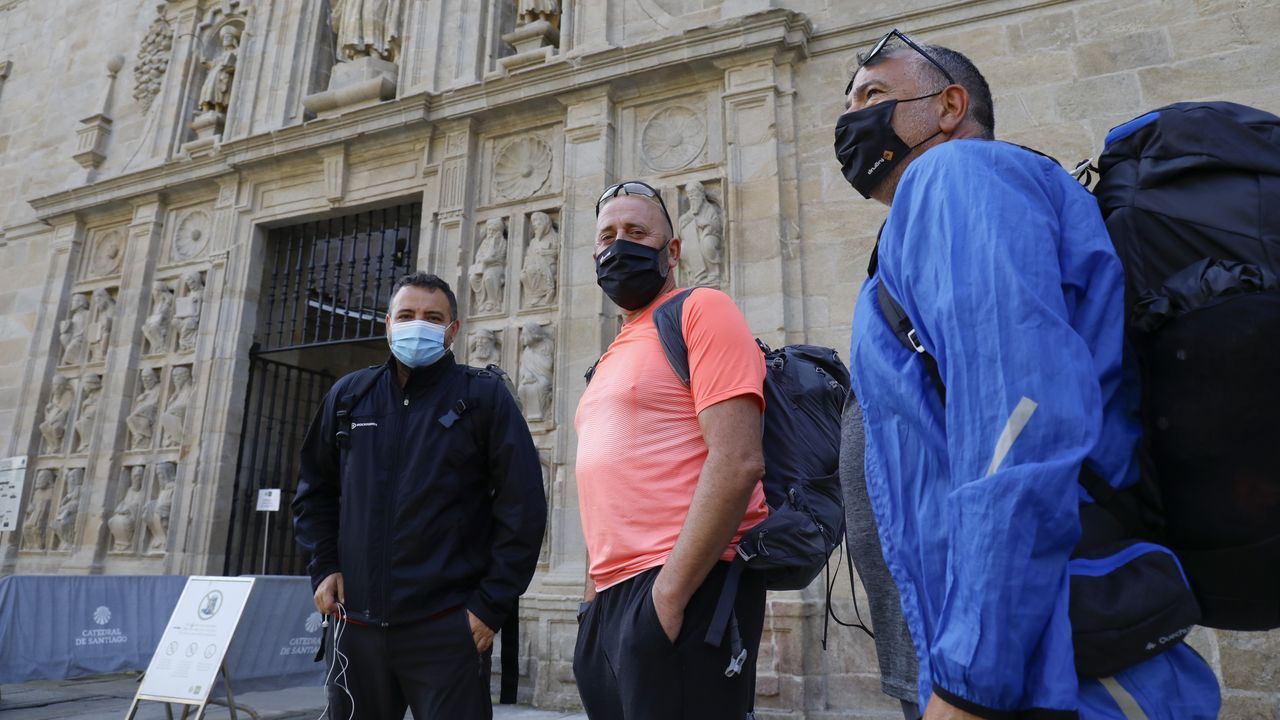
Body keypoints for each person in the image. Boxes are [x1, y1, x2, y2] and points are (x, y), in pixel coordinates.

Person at [835, 30, 1221, 719]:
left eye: (872, 95)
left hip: (1055, 672)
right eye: (846, 104)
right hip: (1026, 661)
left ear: (950, 105)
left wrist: (970, 680)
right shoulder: (929, 218)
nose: (850, 119)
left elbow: (1018, 417)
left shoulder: (958, 178)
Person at [293, 272, 546, 720]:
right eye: (407, 315)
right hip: (357, 629)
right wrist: (324, 565)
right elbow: (316, 490)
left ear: (453, 330)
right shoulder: (350, 397)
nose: (418, 325)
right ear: (388, 324)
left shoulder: (483, 399)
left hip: (448, 629)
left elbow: (522, 507)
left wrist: (490, 606)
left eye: (433, 317)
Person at [572, 180, 769, 720]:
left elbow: (738, 459)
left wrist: (669, 597)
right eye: (607, 236)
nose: (619, 245)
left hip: (683, 584)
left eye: (636, 232)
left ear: (673, 251)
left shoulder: (701, 309)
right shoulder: (612, 353)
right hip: (612, 601)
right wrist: (592, 603)